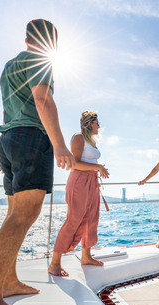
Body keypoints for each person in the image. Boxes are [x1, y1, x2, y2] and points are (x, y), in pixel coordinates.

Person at [0, 19, 75, 305]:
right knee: (24, 216)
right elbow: (42, 98)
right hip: (30, 138)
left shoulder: (9, 65)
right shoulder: (41, 60)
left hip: (8, 140)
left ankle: (7, 282)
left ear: (26, 38)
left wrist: (12, 153)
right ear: (51, 42)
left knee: (14, 215)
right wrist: (60, 144)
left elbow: (12, 106)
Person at [48, 111, 109, 277]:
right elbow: (74, 164)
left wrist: (98, 169)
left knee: (91, 218)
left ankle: (86, 257)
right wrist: (98, 167)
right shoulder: (78, 137)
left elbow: (89, 161)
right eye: (97, 122)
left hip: (92, 181)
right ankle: (55, 263)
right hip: (79, 181)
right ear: (89, 123)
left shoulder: (91, 141)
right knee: (74, 219)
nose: (99, 125)